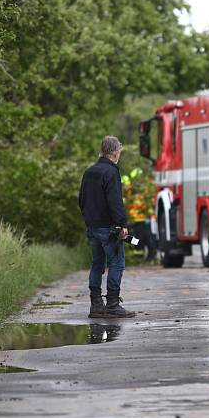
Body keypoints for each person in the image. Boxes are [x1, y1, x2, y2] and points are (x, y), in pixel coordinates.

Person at [78, 135, 136, 319]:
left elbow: (82, 200)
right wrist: (122, 224)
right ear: (115, 152)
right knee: (116, 263)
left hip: (92, 227)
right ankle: (112, 304)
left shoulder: (90, 171)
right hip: (109, 228)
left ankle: (96, 305)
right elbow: (114, 201)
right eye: (119, 151)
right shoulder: (111, 172)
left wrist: (89, 219)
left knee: (97, 264)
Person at [123, 167, 157, 263]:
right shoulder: (132, 189)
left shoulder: (144, 189)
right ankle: (137, 256)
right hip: (135, 220)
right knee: (135, 239)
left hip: (143, 219)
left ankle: (145, 256)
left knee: (144, 239)